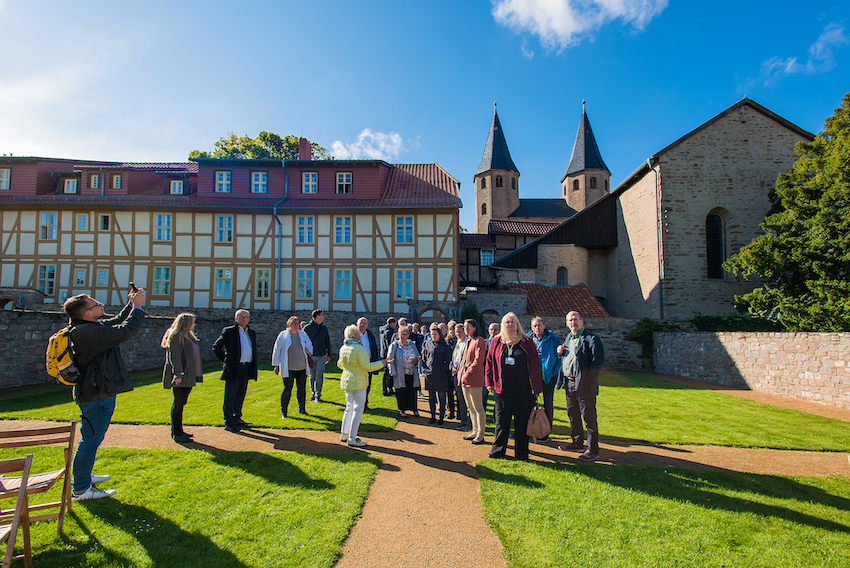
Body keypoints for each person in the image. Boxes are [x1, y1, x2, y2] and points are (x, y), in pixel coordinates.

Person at [63, 289, 145, 500]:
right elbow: (126, 330)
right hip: (96, 393)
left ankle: (83, 476)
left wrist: (130, 305)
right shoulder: (87, 333)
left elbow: (116, 322)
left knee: (92, 438)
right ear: (87, 313)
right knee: (90, 440)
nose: (100, 304)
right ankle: (81, 489)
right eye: (95, 304)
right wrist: (138, 308)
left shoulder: (88, 327)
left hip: (97, 390)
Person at [485, 312, 543, 461]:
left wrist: (536, 388)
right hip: (502, 390)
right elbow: (489, 363)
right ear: (502, 325)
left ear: (517, 324)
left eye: (512, 322)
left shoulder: (527, 341)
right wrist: (489, 382)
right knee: (501, 423)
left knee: (522, 423)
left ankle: (522, 454)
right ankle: (498, 451)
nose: (510, 324)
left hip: (523, 390)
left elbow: (536, 365)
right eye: (507, 322)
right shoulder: (497, 342)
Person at [556, 311, 605, 461]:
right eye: (570, 320)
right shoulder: (569, 338)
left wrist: (587, 381)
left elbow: (597, 363)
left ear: (582, 321)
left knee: (588, 417)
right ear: (566, 323)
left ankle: (593, 449)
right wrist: (560, 353)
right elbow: (569, 358)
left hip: (585, 384)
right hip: (569, 383)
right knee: (572, 414)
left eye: (575, 319)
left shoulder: (591, 339)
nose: (573, 322)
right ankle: (577, 442)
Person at [338, 324, 389, 447]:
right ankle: (352, 437)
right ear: (356, 335)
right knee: (357, 410)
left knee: (348, 407)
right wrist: (383, 363)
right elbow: (368, 366)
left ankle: (345, 433)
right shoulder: (359, 349)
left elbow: (340, 364)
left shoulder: (343, 348)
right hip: (359, 381)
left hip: (347, 381)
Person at [213, 309, 258, 433]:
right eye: (242, 317)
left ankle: (237, 417)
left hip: (247, 366)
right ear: (236, 319)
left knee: (240, 393)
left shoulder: (251, 332)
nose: (244, 320)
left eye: (246, 317)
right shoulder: (229, 331)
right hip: (234, 367)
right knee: (230, 394)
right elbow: (216, 346)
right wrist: (225, 358)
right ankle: (229, 421)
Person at [161, 313, 203, 443]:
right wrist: (178, 374)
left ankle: (179, 430)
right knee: (178, 403)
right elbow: (175, 357)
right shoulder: (176, 337)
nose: (194, 324)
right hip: (182, 375)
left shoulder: (188, 337)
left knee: (181, 402)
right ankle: (177, 433)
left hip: (189, 374)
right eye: (192, 322)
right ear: (186, 323)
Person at [272, 316, 314, 418]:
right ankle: (284, 411)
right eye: (293, 323)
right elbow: (277, 350)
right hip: (289, 367)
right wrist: (276, 365)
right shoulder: (283, 335)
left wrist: (309, 351)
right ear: (288, 324)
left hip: (302, 367)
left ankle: (302, 409)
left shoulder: (303, 335)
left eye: (297, 323)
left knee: (301, 389)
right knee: (287, 389)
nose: (295, 325)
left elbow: (310, 346)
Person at [528, 317, 562, 443]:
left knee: (548, 403)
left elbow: (560, 357)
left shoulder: (553, 339)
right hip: (532, 376)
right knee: (529, 402)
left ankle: (546, 431)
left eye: (539, 325)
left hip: (548, 376)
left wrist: (553, 372)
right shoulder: (527, 338)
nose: (537, 328)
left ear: (544, 326)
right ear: (531, 327)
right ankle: (530, 429)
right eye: (535, 326)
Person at [458, 319, 487, 444]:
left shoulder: (479, 341)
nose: (466, 329)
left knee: (478, 407)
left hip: (474, 378)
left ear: (475, 328)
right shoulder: (468, 341)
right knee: (470, 407)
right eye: (465, 326)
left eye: (468, 326)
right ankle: (475, 431)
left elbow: (478, 360)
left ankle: (480, 434)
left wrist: (467, 373)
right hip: (464, 378)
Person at [420, 323, 452, 424]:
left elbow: (447, 360)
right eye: (432, 334)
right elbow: (423, 359)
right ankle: (432, 416)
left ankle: (441, 417)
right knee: (431, 397)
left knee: (441, 397)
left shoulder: (445, 346)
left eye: (435, 334)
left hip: (441, 375)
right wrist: (425, 370)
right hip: (430, 375)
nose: (433, 336)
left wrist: (441, 370)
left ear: (439, 334)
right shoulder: (428, 345)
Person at [387, 325, 420, 417]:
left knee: (412, 391)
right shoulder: (395, 345)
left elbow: (417, 356)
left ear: (408, 335)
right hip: (399, 372)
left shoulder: (411, 344)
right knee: (401, 391)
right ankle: (402, 410)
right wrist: (393, 372)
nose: (402, 336)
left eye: (404, 334)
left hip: (411, 372)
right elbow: (390, 360)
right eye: (401, 334)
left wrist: (416, 360)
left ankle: (414, 409)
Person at [304, 309, 332, 403]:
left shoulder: (324, 328)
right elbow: (303, 342)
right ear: (317, 317)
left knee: (319, 374)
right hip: (311, 356)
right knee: (312, 375)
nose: (324, 316)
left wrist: (329, 354)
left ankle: (318, 395)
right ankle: (313, 393)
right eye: (322, 314)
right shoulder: (307, 328)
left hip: (322, 355)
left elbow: (327, 341)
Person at [357, 317, 381, 408]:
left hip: (368, 363)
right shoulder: (354, 335)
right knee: (358, 384)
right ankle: (358, 403)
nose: (362, 325)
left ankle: (365, 402)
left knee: (367, 384)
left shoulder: (370, 335)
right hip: (358, 364)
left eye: (364, 323)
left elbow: (373, 348)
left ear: (367, 325)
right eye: (360, 323)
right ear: (357, 325)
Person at [450, 322, 470, 431]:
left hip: (464, 374)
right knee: (460, 399)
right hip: (455, 373)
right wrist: (453, 367)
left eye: (460, 332)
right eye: (456, 332)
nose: (457, 334)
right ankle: (463, 420)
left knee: (467, 399)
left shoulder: (468, 343)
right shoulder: (458, 342)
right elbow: (455, 357)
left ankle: (469, 422)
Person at [482, 322, 500, 415]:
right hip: (486, 373)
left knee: (497, 396)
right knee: (484, 395)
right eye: (491, 329)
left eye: (495, 329)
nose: (493, 331)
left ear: (499, 331)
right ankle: (483, 415)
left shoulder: (501, 343)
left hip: (498, 373)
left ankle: (496, 415)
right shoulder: (484, 343)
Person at [379, 317, 397, 397]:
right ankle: (385, 390)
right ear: (392, 324)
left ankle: (389, 389)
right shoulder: (388, 332)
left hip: (384, 353)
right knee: (386, 373)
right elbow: (389, 345)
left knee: (388, 373)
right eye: (395, 324)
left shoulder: (383, 331)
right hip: (387, 354)